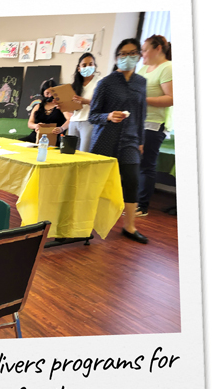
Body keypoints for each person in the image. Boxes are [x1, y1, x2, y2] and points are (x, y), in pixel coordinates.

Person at [88, 38, 148, 244]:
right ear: (116, 57)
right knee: (96, 184)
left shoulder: (142, 82)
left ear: (139, 56)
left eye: (133, 53)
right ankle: (86, 223)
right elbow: (92, 115)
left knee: (132, 181)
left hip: (131, 140)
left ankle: (129, 227)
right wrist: (108, 116)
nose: (128, 57)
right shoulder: (105, 83)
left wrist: (141, 141)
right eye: (123, 54)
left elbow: (141, 114)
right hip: (105, 139)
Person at [135, 35, 173, 217]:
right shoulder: (144, 69)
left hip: (153, 124)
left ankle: (142, 206)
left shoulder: (168, 68)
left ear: (158, 48)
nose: (142, 54)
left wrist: (143, 100)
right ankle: (132, 202)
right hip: (136, 122)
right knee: (134, 164)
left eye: (145, 50)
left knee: (146, 165)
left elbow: (171, 98)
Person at [68, 53, 101, 152]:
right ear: (79, 68)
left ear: (94, 66)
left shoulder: (100, 82)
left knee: (84, 152)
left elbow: (102, 104)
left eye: (91, 64)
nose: (88, 67)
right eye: (84, 65)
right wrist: (62, 105)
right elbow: (72, 108)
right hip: (74, 121)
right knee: (69, 152)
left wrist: (86, 101)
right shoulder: (75, 85)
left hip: (89, 121)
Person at [25, 78, 72, 144]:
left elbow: (70, 119)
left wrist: (61, 128)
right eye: (47, 93)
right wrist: (36, 126)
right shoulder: (38, 106)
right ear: (43, 93)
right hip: (36, 137)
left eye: (52, 93)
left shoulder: (61, 105)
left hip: (55, 138)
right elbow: (30, 123)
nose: (50, 96)